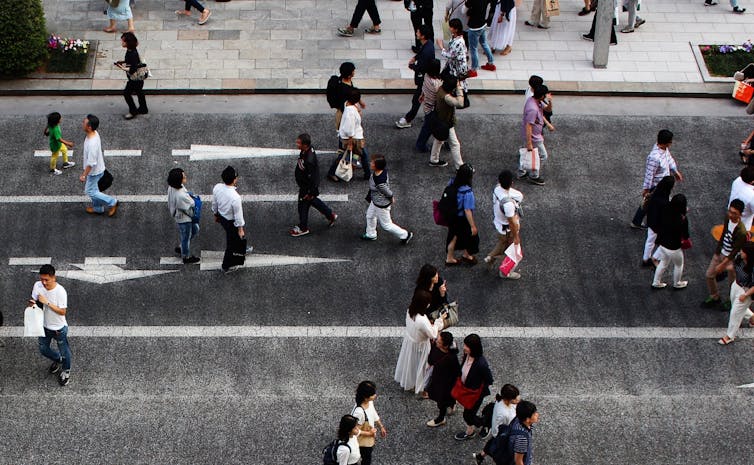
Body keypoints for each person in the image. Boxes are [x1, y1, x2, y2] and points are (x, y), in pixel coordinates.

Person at [394, 265, 447, 394]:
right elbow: (433, 333)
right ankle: (421, 388)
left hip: (410, 342)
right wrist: (440, 321)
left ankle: (410, 383)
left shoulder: (410, 312)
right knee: (422, 367)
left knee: (410, 364)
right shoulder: (422, 320)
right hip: (421, 345)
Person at [28, 264, 71, 386]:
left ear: (54, 278)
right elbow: (34, 301)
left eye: (46, 279)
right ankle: (59, 360)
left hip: (58, 329)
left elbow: (63, 311)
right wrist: (32, 304)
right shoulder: (37, 286)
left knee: (65, 351)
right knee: (43, 349)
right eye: (42, 279)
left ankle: (66, 371)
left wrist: (46, 302)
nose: (44, 282)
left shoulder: (60, 291)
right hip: (43, 326)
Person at [631, 129, 683, 229]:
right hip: (656, 185)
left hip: (663, 183)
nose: (671, 143)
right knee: (656, 202)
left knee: (648, 203)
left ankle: (636, 221)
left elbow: (669, 159)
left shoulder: (664, 150)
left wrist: (675, 171)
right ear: (667, 143)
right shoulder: (654, 158)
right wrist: (646, 189)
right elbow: (649, 174)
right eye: (670, 141)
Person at [703, 200, 748, 309]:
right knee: (709, 275)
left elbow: (735, 251)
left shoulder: (742, 232)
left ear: (740, 214)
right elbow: (723, 234)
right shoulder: (727, 218)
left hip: (732, 259)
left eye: (734, 213)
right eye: (730, 211)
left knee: (732, 283)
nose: (731, 215)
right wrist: (717, 252)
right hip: (721, 253)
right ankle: (715, 296)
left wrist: (722, 265)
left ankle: (730, 301)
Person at [290, 133, 337, 237]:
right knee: (312, 201)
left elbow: (313, 178)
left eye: (299, 143)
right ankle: (330, 215)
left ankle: (303, 228)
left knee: (302, 206)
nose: (296, 144)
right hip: (307, 186)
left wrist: (310, 192)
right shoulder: (308, 150)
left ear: (305, 145)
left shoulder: (309, 160)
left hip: (306, 187)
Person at [362, 155, 414, 244]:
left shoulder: (379, 181)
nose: (370, 163)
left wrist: (391, 197)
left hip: (380, 204)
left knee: (386, 225)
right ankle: (371, 234)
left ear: (377, 166)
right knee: (370, 216)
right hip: (376, 201)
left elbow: (387, 192)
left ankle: (405, 235)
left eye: (372, 163)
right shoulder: (382, 172)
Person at [483, 170, 523, 278]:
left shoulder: (497, 189)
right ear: (511, 183)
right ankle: (506, 272)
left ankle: (490, 258)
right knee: (512, 252)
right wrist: (516, 237)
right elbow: (512, 222)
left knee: (502, 245)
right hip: (507, 230)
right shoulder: (509, 204)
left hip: (499, 225)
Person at [454, 333, 494, 441]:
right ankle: (473, 429)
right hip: (468, 391)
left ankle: (484, 423)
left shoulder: (481, 364)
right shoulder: (467, 355)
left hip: (475, 394)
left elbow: (489, 380)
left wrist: (477, 388)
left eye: (467, 346)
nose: (464, 348)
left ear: (474, 348)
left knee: (468, 415)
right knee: (468, 414)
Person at [396, 25, 436, 129]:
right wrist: (415, 57)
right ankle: (431, 115)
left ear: (423, 36)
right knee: (428, 98)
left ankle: (408, 119)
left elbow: (421, 67)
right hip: (426, 77)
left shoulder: (427, 50)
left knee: (417, 100)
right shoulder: (428, 44)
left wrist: (412, 66)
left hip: (424, 79)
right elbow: (421, 53)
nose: (416, 33)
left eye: (418, 32)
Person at [212, 165, 248, 274]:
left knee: (233, 238)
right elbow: (238, 216)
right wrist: (240, 228)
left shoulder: (217, 187)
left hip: (222, 217)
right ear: (234, 180)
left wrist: (215, 214)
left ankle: (241, 248)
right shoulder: (235, 197)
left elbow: (215, 203)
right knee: (231, 243)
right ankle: (226, 265)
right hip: (231, 221)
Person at [79, 115, 118, 216]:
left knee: (90, 191)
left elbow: (91, 163)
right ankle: (98, 208)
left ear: (89, 127)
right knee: (94, 190)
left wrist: (84, 175)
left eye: (84, 122)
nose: (82, 123)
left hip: (94, 172)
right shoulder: (94, 133)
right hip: (98, 168)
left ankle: (112, 202)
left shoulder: (92, 144)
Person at [329, 88, 371, 181]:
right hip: (354, 138)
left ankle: (353, 165)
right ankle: (367, 174)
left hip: (350, 136)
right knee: (362, 155)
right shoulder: (351, 113)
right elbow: (349, 130)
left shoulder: (347, 104)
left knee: (349, 154)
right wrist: (350, 143)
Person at [472, 384, 521, 463]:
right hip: (503, 435)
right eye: (515, 398)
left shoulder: (501, 400)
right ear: (509, 399)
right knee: (499, 452)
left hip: (499, 434)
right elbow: (499, 428)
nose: (518, 399)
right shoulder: (504, 413)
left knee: (491, 444)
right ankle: (480, 457)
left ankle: (480, 457)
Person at [719, 242, 754, 345]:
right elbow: (734, 267)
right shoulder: (740, 258)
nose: (740, 252)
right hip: (736, 285)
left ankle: (730, 336)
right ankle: (752, 317)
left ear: (749, 254)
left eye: (743, 251)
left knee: (735, 314)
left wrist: (746, 295)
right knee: (736, 307)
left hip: (746, 291)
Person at [652, 194, 689, 289]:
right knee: (679, 265)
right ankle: (677, 283)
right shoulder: (682, 219)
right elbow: (686, 235)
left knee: (663, 262)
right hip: (674, 247)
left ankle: (656, 282)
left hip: (663, 244)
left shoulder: (665, 210)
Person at [518, 84, 553, 186]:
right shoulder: (532, 108)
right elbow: (528, 126)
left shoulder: (535, 101)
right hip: (534, 137)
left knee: (526, 154)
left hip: (535, 135)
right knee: (542, 155)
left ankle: (522, 171)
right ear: (542, 96)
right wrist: (529, 143)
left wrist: (550, 101)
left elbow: (547, 110)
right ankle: (533, 175)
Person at [425, 331, 461, 427]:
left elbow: (457, 372)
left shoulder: (452, 358)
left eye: (439, 341)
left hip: (445, 384)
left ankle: (441, 418)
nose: (436, 342)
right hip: (438, 379)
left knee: (441, 402)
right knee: (445, 398)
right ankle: (452, 404)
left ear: (445, 346)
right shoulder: (437, 348)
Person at [446, 164, 479, 265]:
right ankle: (467, 255)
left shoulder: (452, 182)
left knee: (453, 236)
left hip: (452, 216)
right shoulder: (467, 192)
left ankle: (449, 258)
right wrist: (473, 226)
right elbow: (467, 210)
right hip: (462, 219)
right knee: (472, 237)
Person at [430, 75, 466, 169]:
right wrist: (459, 89)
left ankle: (434, 160)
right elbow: (460, 103)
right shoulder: (446, 97)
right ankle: (460, 167)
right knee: (455, 144)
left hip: (439, 120)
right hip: (446, 122)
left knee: (439, 139)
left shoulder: (441, 89)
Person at [167, 168, 200, 264]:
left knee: (194, 230)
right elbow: (192, 204)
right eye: (183, 176)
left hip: (180, 216)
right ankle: (186, 256)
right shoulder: (181, 195)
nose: (185, 176)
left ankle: (182, 247)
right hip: (184, 219)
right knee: (186, 236)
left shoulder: (172, 187)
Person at [351, 381, 388, 465]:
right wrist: (369, 433)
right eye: (372, 394)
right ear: (365, 397)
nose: (375, 395)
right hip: (362, 442)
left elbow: (373, 413)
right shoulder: (359, 413)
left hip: (368, 437)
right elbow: (354, 431)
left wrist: (381, 426)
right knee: (366, 459)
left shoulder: (369, 402)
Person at [642, 176, 675, 267]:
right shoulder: (664, 200)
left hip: (651, 220)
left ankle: (646, 259)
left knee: (650, 240)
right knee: (664, 242)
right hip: (658, 224)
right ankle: (653, 259)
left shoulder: (656, 192)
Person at [115, 32, 148, 120]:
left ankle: (133, 111)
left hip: (134, 79)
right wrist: (123, 62)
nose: (122, 43)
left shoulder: (132, 54)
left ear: (128, 43)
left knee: (126, 94)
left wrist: (121, 67)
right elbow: (131, 62)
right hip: (138, 79)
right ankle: (143, 109)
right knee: (139, 92)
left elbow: (132, 69)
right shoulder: (131, 50)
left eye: (123, 42)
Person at [437, 18, 469, 102]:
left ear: (456, 29)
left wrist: (441, 47)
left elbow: (450, 55)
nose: (449, 28)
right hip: (453, 65)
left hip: (458, 67)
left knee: (458, 83)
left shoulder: (459, 42)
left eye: (451, 27)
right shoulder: (454, 37)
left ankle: (460, 98)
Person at [414, 58, 442, 154]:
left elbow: (424, 89)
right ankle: (420, 145)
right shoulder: (437, 84)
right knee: (428, 128)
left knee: (428, 126)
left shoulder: (426, 76)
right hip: (433, 109)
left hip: (427, 106)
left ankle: (421, 144)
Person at [464, 0, 496, 77]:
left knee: (473, 49)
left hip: (474, 28)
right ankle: (491, 63)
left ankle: (474, 70)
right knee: (484, 43)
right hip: (482, 24)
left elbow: (463, 10)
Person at [728, 166, 754, 231]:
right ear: (752, 182)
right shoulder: (751, 196)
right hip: (743, 225)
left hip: (732, 218)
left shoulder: (737, 180)